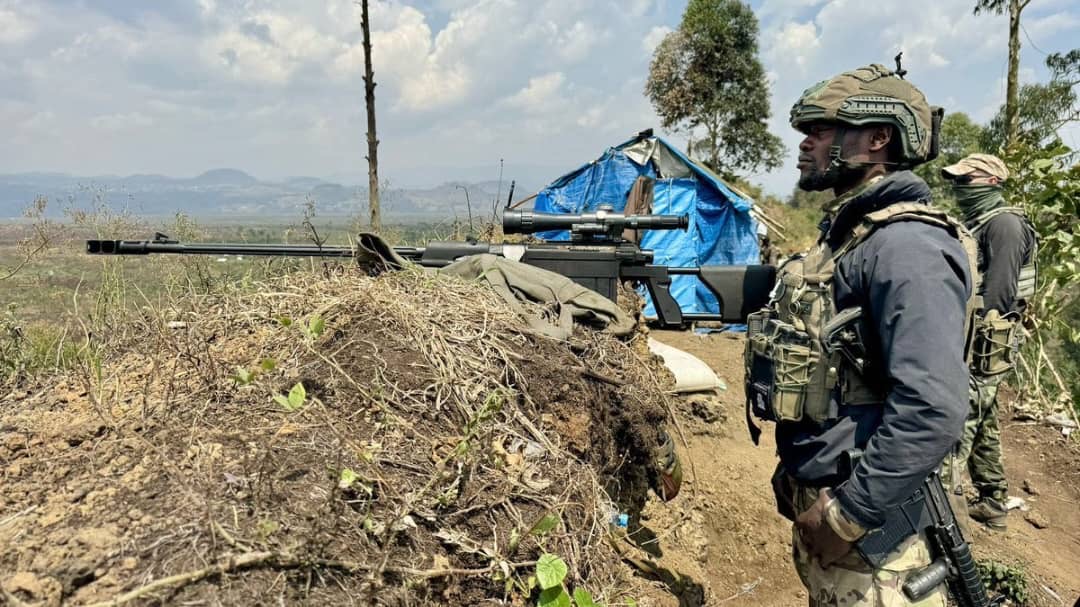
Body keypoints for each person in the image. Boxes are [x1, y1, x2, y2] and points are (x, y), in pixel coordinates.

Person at [744, 64, 975, 606]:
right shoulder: (850, 239)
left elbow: (934, 408)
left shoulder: (908, 248)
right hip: (838, 523)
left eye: (821, 130)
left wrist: (847, 515)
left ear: (877, 138)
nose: (805, 143)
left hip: (878, 549)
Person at [941, 153, 1037, 530]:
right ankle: (994, 501)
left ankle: (946, 513)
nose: (959, 187)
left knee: (960, 416)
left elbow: (999, 292)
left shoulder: (1006, 225)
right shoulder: (980, 222)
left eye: (968, 179)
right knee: (984, 420)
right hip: (974, 336)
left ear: (993, 182)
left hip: (984, 341)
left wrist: (976, 336)